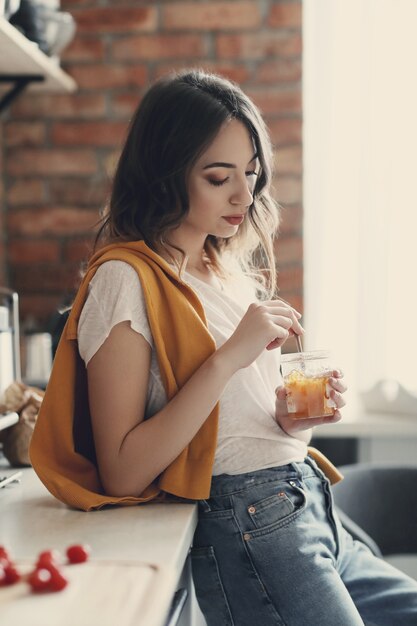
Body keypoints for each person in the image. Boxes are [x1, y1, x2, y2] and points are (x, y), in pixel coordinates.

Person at [30, 69, 417, 625]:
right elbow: (122, 470)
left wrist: (292, 416)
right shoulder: (125, 278)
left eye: (251, 174)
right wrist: (231, 355)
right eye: (218, 177)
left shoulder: (226, 272)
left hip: (311, 502)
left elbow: (241, 429)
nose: (244, 195)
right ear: (166, 174)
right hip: (253, 521)